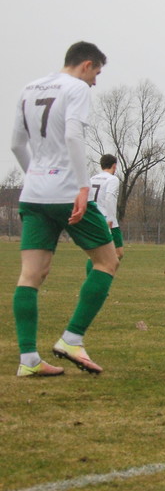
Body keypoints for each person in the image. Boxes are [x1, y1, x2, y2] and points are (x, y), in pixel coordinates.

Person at [10, 41, 119, 377]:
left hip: (34, 193)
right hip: (68, 192)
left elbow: (16, 143)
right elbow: (73, 136)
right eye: (96, 73)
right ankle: (72, 338)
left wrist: (37, 177)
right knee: (107, 261)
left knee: (31, 275)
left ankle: (28, 359)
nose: (95, 82)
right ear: (86, 65)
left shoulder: (29, 88)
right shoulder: (76, 89)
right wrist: (82, 186)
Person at [85, 154, 124, 275]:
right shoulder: (112, 179)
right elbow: (109, 198)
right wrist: (110, 220)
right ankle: (94, 281)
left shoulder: (92, 179)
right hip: (107, 220)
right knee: (116, 254)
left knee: (102, 254)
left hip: (94, 218)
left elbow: (87, 199)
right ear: (114, 166)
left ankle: (94, 280)